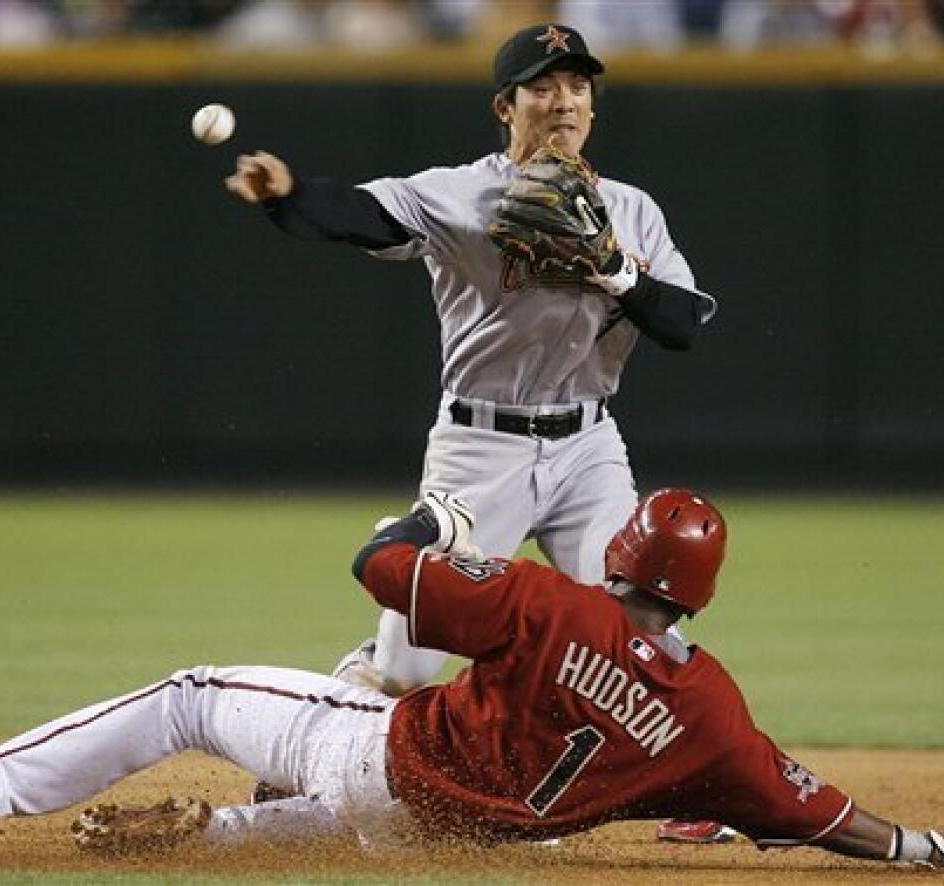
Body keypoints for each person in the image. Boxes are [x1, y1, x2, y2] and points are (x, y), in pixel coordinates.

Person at [0, 490, 944, 871]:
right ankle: (210, 837)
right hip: (466, 842)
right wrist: (936, 850)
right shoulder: (715, 719)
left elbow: (379, 568)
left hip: (383, 761)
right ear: (702, 594)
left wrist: (423, 522)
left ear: (620, 552)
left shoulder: (551, 599)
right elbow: (825, 814)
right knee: (344, 805)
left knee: (191, 693)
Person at [224, 21, 718, 712]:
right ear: (504, 108)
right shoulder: (458, 195)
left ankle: (689, 799)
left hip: (589, 448)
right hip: (482, 449)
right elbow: (363, 214)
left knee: (638, 630)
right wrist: (289, 195)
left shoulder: (632, 211)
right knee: (406, 665)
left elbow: (682, 325)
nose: (564, 101)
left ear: (594, 106)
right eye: (541, 88)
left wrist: (616, 274)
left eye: (578, 86)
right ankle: (300, 757)